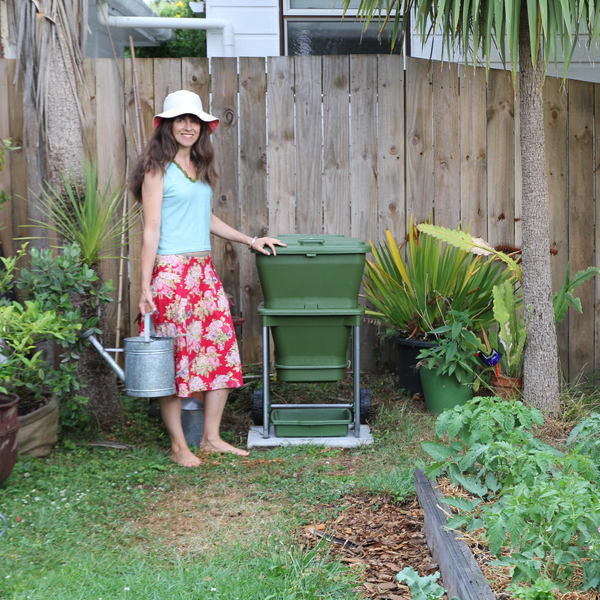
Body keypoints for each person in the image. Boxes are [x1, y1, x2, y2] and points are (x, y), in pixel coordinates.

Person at [130, 90, 284, 467]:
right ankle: (179, 445)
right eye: (181, 120)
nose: (188, 126)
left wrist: (251, 240)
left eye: (194, 120)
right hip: (171, 275)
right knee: (174, 361)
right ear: (167, 125)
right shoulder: (156, 169)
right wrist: (145, 285)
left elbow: (206, 220)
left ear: (202, 128)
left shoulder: (199, 169)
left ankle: (211, 438)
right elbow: (150, 230)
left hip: (202, 274)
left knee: (221, 350)